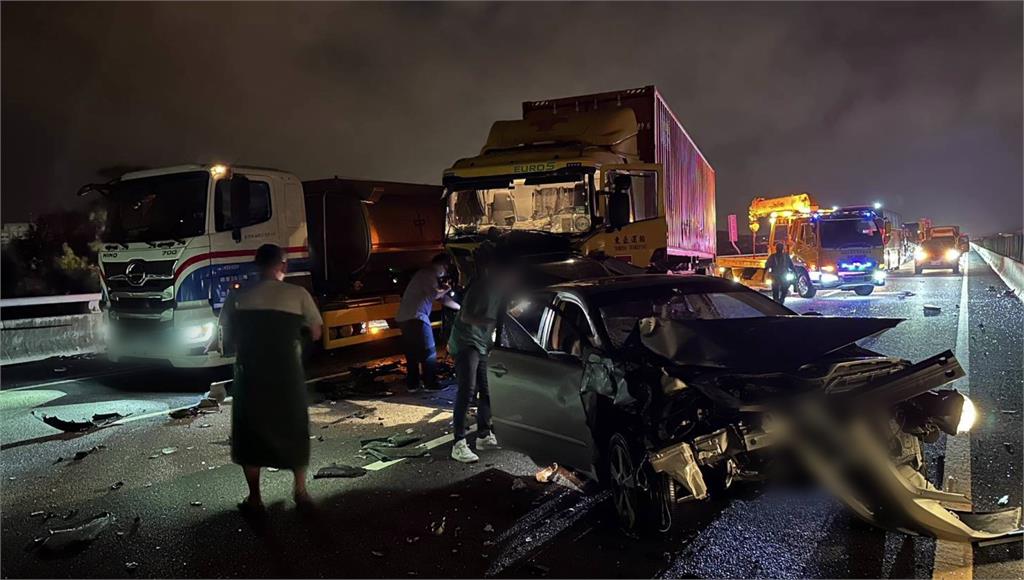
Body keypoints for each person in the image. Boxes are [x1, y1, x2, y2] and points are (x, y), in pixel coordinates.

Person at [219, 244, 324, 515]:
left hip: (250, 374)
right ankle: (300, 492)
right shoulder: (298, 294)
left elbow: (227, 335)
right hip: (286, 374)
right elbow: (315, 331)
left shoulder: (238, 296)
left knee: (250, 433)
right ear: (283, 266)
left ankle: (255, 498)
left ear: (257, 265)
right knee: (294, 427)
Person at [447, 245, 515, 463]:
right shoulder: (483, 287)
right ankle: (458, 443)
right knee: (467, 390)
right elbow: (466, 316)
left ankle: (484, 435)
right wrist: (491, 322)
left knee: (487, 390)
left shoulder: (504, 291)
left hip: (483, 343)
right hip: (466, 342)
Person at [396, 253, 460, 391]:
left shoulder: (425, 275)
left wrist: (459, 308)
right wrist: (447, 288)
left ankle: (413, 384)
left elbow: (441, 298)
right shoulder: (429, 273)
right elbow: (435, 294)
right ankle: (430, 383)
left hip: (405, 318)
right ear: (444, 265)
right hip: (416, 317)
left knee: (412, 353)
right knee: (429, 351)